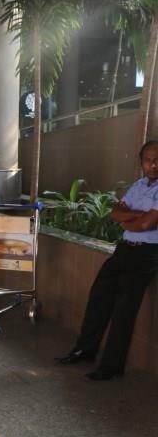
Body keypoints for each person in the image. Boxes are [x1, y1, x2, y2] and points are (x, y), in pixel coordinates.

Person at [57, 140, 158, 380]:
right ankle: (85, 350)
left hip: (147, 254)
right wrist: (136, 216)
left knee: (125, 310)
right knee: (99, 297)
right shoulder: (138, 185)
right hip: (124, 249)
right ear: (141, 162)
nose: (153, 165)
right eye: (148, 160)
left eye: (157, 160)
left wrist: (130, 219)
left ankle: (111, 367)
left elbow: (147, 224)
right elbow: (115, 213)